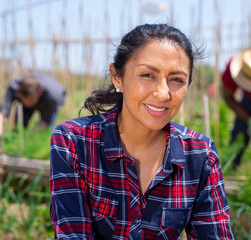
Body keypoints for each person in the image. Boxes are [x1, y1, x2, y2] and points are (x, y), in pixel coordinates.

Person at [50, 24, 234, 239]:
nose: (163, 93)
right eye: (148, 75)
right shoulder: (74, 142)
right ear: (117, 78)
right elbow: (73, 234)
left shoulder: (200, 154)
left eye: (176, 80)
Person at [0, 72, 66, 134]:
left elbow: (44, 123)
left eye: (30, 100)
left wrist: (30, 137)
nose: (27, 104)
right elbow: (2, 112)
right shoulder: (14, 88)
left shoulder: (53, 97)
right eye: (24, 100)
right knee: (19, 128)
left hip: (47, 103)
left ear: (40, 92)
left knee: (43, 132)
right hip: (25, 106)